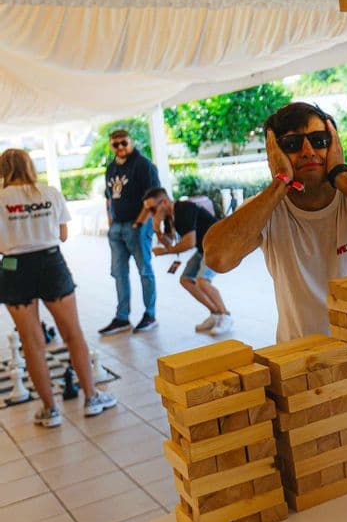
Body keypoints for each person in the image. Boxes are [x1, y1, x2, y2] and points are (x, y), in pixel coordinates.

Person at [204, 103, 347, 342]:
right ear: (274, 154)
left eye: (319, 140)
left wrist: (341, 175)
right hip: (302, 359)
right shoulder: (266, 206)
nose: (308, 151)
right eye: (292, 144)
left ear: (335, 144)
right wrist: (280, 182)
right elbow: (218, 258)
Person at [0, 149, 118, 427]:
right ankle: (91, 398)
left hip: (13, 267)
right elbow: (63, 235)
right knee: (72, 334)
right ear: (29, 166)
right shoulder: (50, 193)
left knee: (32, 343)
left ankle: (50, 410)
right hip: (50, 263)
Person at [142, 187, 232, 335]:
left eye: (152, 209)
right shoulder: (169, 217)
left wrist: (165, 252)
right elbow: (169, 242)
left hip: (218, 244)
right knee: (185, 280)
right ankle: (215, 313)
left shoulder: (184, 208)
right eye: (148, 211)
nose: (151, 214)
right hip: (203, 248)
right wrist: (157, 229)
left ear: (164, 202)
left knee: (203, 281)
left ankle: (225, 315)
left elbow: (189, 242)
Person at [99, 129, 159, 334]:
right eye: (116, 144)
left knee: (144, 270)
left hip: (137, 226)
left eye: (124, 143)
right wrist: (111, 222)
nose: (120, 147)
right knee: (119, 273)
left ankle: (150, 315)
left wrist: (139, 224)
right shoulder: (111, 168)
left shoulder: (143, 165)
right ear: (111, 146)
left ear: (131, 142)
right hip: (117, 227)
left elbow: (154, 197)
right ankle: (122, 317)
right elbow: (108, 197)